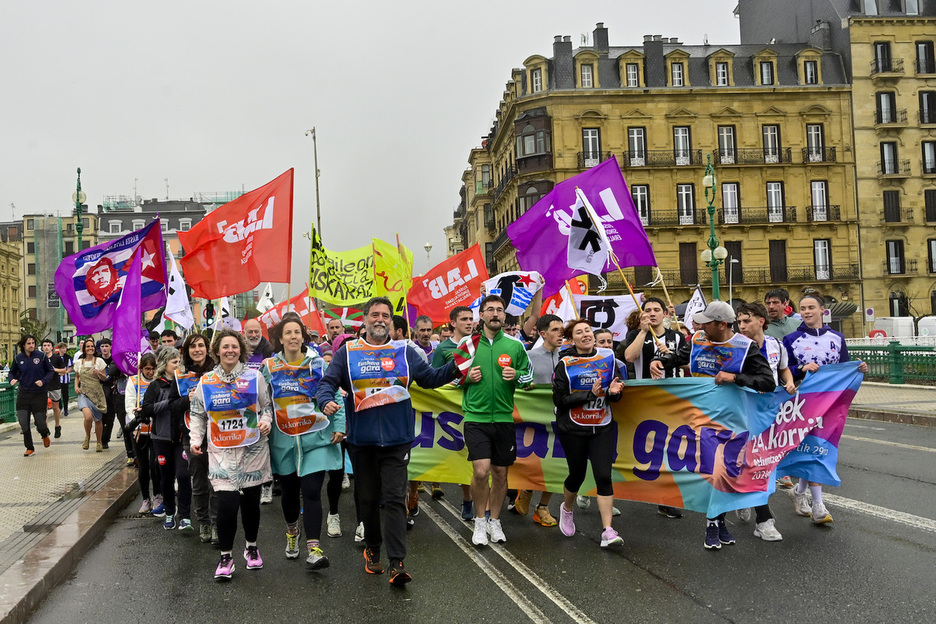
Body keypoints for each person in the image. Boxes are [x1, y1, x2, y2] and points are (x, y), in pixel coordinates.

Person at [316, 296, 458, 586]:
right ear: (365, 319)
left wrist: (460, 365)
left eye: (385, 315)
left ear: (391, 322)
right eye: (375, 314)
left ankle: (397, 562)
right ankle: (372, 548)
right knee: (367, 500)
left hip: (397, 441)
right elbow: (327, 383)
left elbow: (430, 379)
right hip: (362, 442)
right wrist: (325, 400)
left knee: (394, 500)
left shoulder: (404, 351)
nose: (380, 319)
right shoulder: (348, 352)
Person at [651, 301, 775, 550]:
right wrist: (659, 361)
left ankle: (719, 522)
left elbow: (767, 381)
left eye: (707, 323)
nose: (701, 326)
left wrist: (735, 377)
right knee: (712, 470)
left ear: (722, 324)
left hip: (732, 419)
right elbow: (676, 358)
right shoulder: (697, 339)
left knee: (725, 471)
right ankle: (712, 523)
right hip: (698, 417)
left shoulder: (745, 346)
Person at [262, 314, 346, 571]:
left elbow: (334, 394)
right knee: (289, 493)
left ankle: (314, 548)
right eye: (288, 332)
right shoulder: (269, 367)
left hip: (315, 438)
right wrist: (262, 424)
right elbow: (262, 402)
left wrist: (339, 424)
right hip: (283, 440)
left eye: (297, 332)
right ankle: (292, 531)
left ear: (303, 337)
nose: (293, 337)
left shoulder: (318, 364)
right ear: (280, 338)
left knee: (311, 491)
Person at [189, 329, 274, 580]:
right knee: (226, 505)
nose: (230, 351)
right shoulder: (206, 381)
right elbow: (197, 414)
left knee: (250, 504)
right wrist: (195, 440)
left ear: (241, 350)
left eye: (234, 347)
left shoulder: (254, 377)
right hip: (221, 453)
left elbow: (267, 407)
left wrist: (266, 422)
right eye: (225, 347)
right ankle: (226, 556)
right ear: (217, 351)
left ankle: (251, 547)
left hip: (252, 451)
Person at [783, 294, 868, 525]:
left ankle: (800, 492)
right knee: (812, 446)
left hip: (830, 403)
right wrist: (801, 368)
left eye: (811, 307)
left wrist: (859, 368)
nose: (807, 311)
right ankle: (818, 504)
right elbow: (784, 369)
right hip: (803, 402)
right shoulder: (791, 339)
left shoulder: (837, 338)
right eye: (803, 308)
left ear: (822, 310)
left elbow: (844, 368)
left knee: (818, 447)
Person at [461, 295, 534, 547]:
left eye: (499, 310)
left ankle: (495, 520)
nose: (495, 314)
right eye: (490, 309)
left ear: (504, 315)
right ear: (481, 315)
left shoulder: (515, 345)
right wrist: (467, 378)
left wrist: (517, 375)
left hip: (504, 418)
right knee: (481, 471)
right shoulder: (468, 344)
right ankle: (480, 521)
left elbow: (529, 378)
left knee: (501, 473)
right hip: (476, 418)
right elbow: (452, 377)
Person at [553, 319, 626, 548]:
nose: (585, 334)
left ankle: (608, 531)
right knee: (577, 475)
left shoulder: (608, 357)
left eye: (587, 330)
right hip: (573, 427)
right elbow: (560, 400)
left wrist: (613, 393)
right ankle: (567, 508)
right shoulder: (565, 363)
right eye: (579, 332)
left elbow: (615, 393)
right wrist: (589, 395)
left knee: (603, 476)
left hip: (602, 425)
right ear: (572, 339)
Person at [735, 302, 797, 542]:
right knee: (750, 461)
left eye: (746, 320)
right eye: (739, 322)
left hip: (769, 412)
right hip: (742, 410)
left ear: (761, 321)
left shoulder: (776, 345)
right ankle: (763, 518)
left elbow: (783, 370)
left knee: (765, 463)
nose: (742, 326)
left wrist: (789, 382)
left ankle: (754, 507)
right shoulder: (735, 346)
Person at [620, 297, 686, 520]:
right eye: (647, 310)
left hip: (673, 398)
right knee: (648, 447)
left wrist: (671, 356)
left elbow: (689, 362)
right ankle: (644, 488)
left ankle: (665, 500)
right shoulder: (636, 335)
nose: (652, 313)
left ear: (665, 314)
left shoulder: (677, 337)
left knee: (671, 448)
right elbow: (629, 357)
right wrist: (642, 331)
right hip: (646, 398)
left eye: (656, 309)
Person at [514, 314, 564, 528]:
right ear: (543, 334)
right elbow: (518, 381)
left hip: (559, 418)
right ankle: (526, 488)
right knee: (534, 461)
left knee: (555, 464)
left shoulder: (567, 357)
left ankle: (542, 507)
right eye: (555, 330)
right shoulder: (529, 356)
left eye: (562, 329)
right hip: (533, 419)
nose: (560, 334)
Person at [431, 305, 476, 520]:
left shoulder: (479, 344)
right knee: (457, 453)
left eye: (471, 318)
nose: (469, 322)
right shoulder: (443, 348)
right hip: (449, 410)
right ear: (453, 323)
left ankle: (471, 500)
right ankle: (464, 497)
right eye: (464, 319)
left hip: (474, 407)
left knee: (473, 456)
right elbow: (434, 378)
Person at [142, 347, 193, 531]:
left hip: (181, 437)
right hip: (161, 438)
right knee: (166, 477)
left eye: (179, 361)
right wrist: (169, 403)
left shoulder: (185, 382)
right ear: (165, 364)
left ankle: (185, 516)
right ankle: (170, 511)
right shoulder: (156, 385)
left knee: (184, 475)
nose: (178, 365)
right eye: (174, 362)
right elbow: (146, 409)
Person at [178, 333, 216, 542]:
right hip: (192, 436)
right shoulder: (180, 375)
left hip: (219, 435)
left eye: (201, 345)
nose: (197, 350)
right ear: (187, 351)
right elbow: (172, 405)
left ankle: (217, 522)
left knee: (217, 482)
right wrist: (187, 399)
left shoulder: (218, 371)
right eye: (192, 347)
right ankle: (204, 522)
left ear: (207, 348)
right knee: (200, 482)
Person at [242, 318, 275, 505]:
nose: (253, 335)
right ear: (244, 333)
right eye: (250, 332)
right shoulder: (239, 351)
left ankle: (267, 484)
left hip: (266, 404)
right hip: (244, 407)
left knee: (266, 446)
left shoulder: (270, 350)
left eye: (256, 331)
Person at [125, 353, 161, 514]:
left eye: (153, 369)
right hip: (139, 431)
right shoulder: (134, 381)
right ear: (141, 369)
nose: (150, 372)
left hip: (156, 429)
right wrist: (136, 420)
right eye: (147, 369)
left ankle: (157, 495)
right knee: (143, 466)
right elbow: (129, 406)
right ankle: (146, 498)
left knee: (155, 464)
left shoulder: (158, 381)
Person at [10, 334, 55, 456]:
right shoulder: (18, 358)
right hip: (23, 394)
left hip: (39, 394)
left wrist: (43, 381)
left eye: (33, 343)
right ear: (23, 345)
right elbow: (12, 372)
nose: (31, 345)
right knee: (23, 423)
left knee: (40, 423)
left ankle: (44, 434)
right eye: (29, 343)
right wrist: (12, 379)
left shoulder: (41, 356)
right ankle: (29, 448)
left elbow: (50, 371)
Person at [74, 337, 109, 452]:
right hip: (84, 393)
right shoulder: (79, 362)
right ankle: (87, 436)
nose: (90, 348)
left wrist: (99, 373)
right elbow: (77, 377)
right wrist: (76, 387)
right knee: (88, 417)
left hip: (96, 394)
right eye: (88, 346)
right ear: (84, 349)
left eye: (92, 346)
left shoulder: (99, 361)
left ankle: (99, 442)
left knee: (98, 419)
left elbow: (104, 378)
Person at [41, 339, 63, 439]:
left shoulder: (57, 358)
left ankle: (57, 426)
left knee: (55, 407)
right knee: (43, 408)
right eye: (44, 345)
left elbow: (63, 370)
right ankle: (46, 428)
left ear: (52, 347)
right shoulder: (40, 358)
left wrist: (54, 369)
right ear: (42, 347)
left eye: (48, 345)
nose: (46, 347)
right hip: (43, 386)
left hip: (55, 385)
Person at [55, 342, 74, 418]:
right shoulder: (55, 357)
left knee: (65, 394)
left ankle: (66, 408)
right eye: (63, 348)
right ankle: (60, 407)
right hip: (57, 379)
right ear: (59, 349)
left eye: (65, 348)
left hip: (65, 379)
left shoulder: (68, 357)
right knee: (57, 394)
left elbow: (71, 367)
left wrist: (65, 372)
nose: (64, 350)